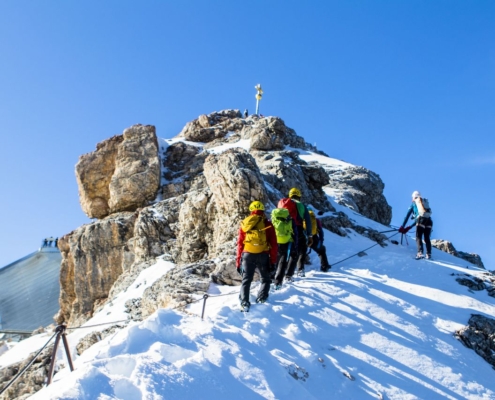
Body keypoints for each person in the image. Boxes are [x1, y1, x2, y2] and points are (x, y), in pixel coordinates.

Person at [236, 201, 278, 311]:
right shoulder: (267, 223)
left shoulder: (245, 223)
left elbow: (240, 243)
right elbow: (273, 244)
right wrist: (273, 261)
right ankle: (262, 298)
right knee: (265, 278)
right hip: (262, 254)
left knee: (246, 279)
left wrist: (238, 261)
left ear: (251, 211)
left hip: (247, 254)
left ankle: (244, 302)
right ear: (263, 211)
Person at [278, 187, 313, 280]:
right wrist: (309, 235)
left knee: (282, 253)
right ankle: (290, 275)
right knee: (296, 252)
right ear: (299, 196)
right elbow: (308, 221)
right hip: (297, 229)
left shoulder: (283, 203)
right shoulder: (302, 205)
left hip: (282, 230)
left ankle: (277, 276)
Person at [399, 190, 433, 259]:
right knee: (427, 238)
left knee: (418, 236)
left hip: (421, 220)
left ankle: (420, 253)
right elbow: (419, 218)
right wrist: (409, 227)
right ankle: (428, 254)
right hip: (429, 220)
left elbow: (407, 216)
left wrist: (403, 226)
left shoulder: (414, 204)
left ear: (414, 197)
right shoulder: (423, 204)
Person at [271, 207, 298, 289]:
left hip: (275, 242)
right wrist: (295, 244)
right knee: (282, 262)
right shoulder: (290, 219)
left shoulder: (273, 219)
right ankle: (278, 283)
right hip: (286, 242)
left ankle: (271, 277)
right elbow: (295, 233)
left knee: (274, 260)